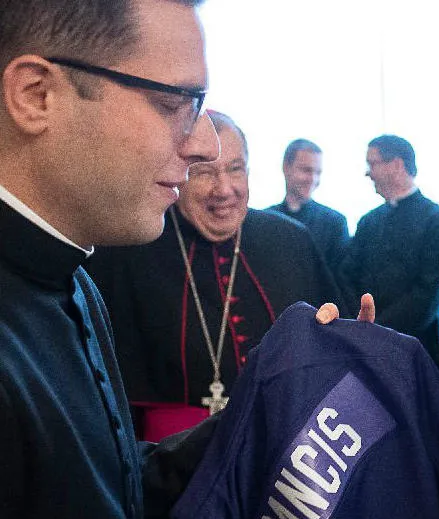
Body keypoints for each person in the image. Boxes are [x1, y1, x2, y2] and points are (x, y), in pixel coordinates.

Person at [0, 2, 287, 519]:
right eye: (173, 102)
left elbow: (82, 495)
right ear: (36, 95)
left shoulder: (71, 276)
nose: (199, 143)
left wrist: (268, 406)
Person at [89, 112, 344, 442]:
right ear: (175, 174)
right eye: (204, 171)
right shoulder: (129, 248)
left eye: (235, 169)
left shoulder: (291, 240)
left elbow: (333, 339)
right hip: (169, 457)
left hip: (284, 443)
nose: (224, 190)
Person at [339, 134, 439, 370]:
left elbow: (428, 294)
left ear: (397, 165)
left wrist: (378, 328)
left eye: (373, 164)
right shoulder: (368, 221)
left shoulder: (437, 220)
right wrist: (361, 323)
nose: (367, 173)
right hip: (364, 346)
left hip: (417, 348)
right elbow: (346, 276)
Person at [267, 138, 350, 270]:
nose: (313, 179)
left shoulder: (334, 223)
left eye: (318, 172)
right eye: (306, 170)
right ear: (286, 168)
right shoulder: (265, 222)